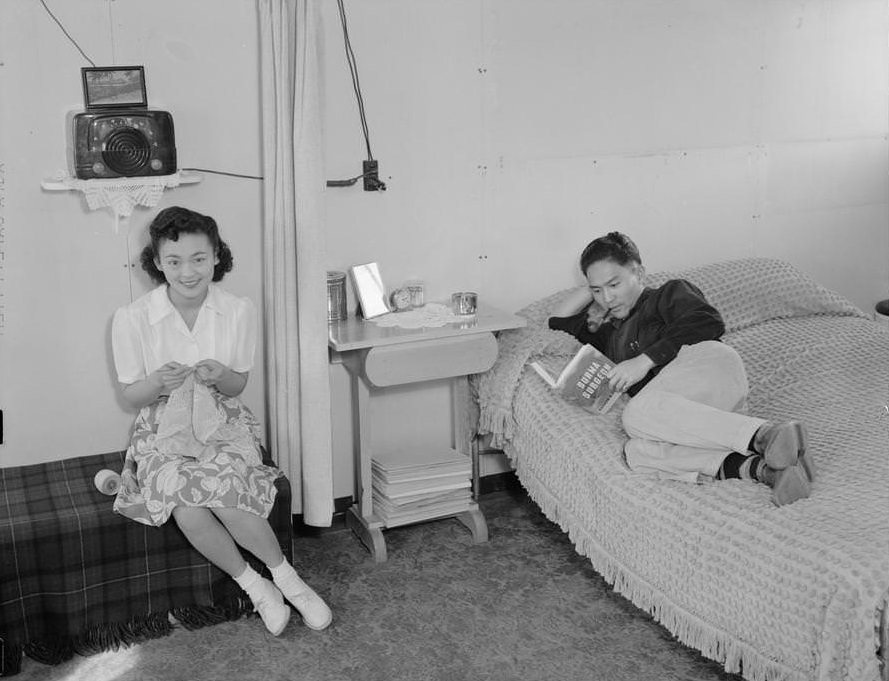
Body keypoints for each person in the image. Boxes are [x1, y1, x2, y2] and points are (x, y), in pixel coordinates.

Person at [111, 206, 332, 635]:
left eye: (198, 258)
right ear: (157, 263)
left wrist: (221, 376)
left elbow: (237, 386)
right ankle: (256, 588)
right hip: (162, 428)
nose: (188, 272)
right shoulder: (132, 318)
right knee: (187, 507)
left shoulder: (238, 310)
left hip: (221, 420)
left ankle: (290, 581)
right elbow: (130, 395)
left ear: (216, 256)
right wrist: (157, 381)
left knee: (226, 493)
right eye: (173, 261)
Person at [548, 231, 816, 505]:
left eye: (614, 284)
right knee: (637, 452)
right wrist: (593, 280)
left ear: (639, 274)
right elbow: (557, 320)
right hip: (689, 418)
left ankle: (766, 435)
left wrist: (643, 362)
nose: (607, 298)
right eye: (597, 290)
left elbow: (707, 322)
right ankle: (766, 469)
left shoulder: (668, 294)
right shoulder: (609, 334)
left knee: (636, 414)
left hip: (711, 367)